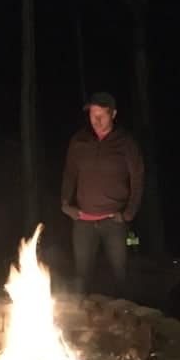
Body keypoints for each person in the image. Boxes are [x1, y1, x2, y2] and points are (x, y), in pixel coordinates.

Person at [61, 92, 144, 297]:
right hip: (83, 221)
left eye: (102, 115)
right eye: (93, 115)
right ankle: (82, 320)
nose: (96, 120)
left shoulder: (125, 142)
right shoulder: (80, 140)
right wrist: (65, 203)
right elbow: (70, 173)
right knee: (82, 276)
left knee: (120, 275)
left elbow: (138, 178)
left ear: (113, 114)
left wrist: (128, 214)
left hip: (113, 221)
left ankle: (125, 320)